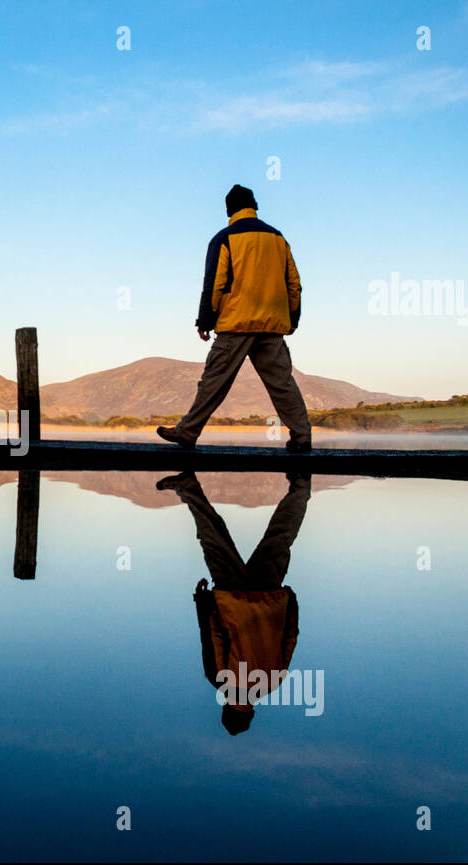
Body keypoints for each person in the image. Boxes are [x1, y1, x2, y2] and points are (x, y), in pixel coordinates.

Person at [157, 184, 312, 453]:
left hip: (236, 324)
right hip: (272, 325)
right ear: (255, 206)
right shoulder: (278, 238)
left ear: (228, 210)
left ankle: (187, 432)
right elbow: (294, 284)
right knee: (283, 385)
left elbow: (214, 284)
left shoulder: (225, 238)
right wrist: (292, 317)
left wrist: (204, 320)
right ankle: (302, 437)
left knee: (214, 382)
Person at [157, 470, 310, 734]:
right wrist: (203, 600)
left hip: (269, 597)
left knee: (281, 536)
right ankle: (187, 486)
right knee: (213, 539)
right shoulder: (221, 682)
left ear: (251, 712)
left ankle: (301, 486)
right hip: (232, 597)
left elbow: (291, 637)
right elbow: (212, 635)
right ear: (227, 708)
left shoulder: (274, 682)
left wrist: (291, 602)